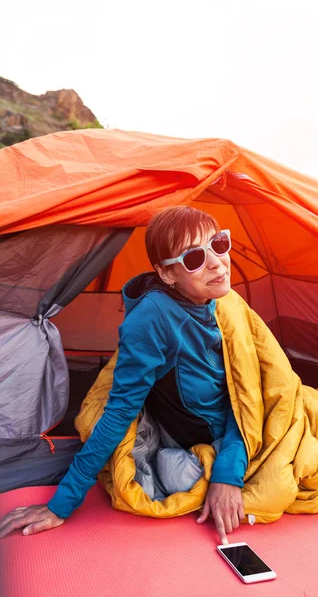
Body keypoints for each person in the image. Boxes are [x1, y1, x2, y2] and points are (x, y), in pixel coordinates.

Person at [0, 206, 248, 544]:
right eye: (193, 259)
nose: (217, 262)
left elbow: (247, 393)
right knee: (177, 479)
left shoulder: (222, 301)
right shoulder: (153, 318)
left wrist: (227, 474)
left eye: (218, 244)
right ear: (168, 275)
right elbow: (119, 412)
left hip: (236, 429)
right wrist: (62, 504)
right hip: (210, 431)